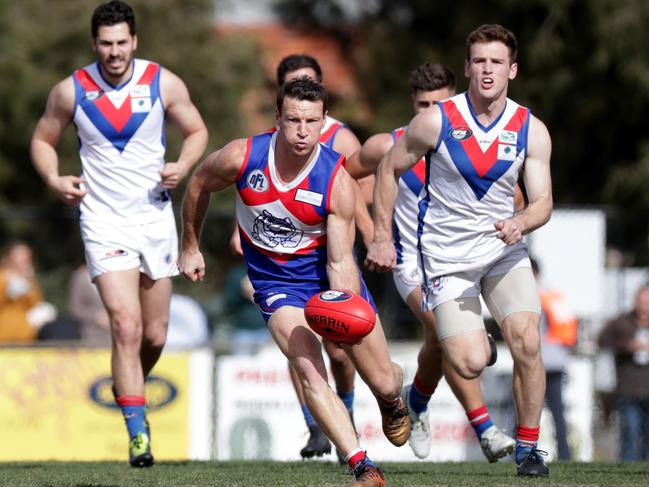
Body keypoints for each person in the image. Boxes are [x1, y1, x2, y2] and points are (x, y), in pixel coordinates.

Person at [179, 78, 408, 486]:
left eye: (312, 122)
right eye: (293, 120)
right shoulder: (242, 157)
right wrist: (190, 246)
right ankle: (361, 464)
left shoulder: (335, 180)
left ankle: (392, 400)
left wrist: (341, 307)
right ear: (277, 119)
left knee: (384, 378)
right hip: (275, 285)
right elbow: (198, 183)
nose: (302, 131)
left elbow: (340, 260)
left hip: (327, 280)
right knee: (307, 365)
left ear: (324, 122)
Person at [366, 24, 553, 477]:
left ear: (513, 69)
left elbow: (543, 201)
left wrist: (521, 221)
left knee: (528, 341)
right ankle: (451, 364)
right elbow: (388, 170)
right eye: (479, 61)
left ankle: (530, 450)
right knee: (469, 362)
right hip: (446, 257)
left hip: (503, 250)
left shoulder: (531, 129)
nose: (488, 70)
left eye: (497, 62)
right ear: (468, 67)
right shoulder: (437, 120)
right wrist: (381, 235)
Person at [30, 0, 208, 467]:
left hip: (154, 218)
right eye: (105, 44)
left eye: (121, 43)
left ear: (135, 42)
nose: (114, 52)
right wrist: (54, 179)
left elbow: (197, 131)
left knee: (154, 333)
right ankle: (137, 433)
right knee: (125, 326)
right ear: (95, 44)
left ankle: (126, 385)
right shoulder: (71, 91)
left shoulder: (161, 82)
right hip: (103, 220)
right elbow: (42, 140)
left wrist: (182, 166)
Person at [347, 62, 515, 462]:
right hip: (410, 265)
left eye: (437, 103)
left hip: (461, 260)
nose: (428, 111)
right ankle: (486, 430)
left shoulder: (473, 145)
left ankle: (417, 403)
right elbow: (343, 177)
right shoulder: (387, 145)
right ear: (412, 103)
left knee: (440, 342)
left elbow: (515, 196)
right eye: (422, 104)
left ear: (453, 99)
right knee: (443, 330)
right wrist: (373, 233)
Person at [230, 54, 367, 461]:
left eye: (307, 87)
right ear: (280, 108)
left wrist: (378, 237)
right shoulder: (261, 147)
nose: (301, 124)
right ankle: (321, 430)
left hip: (330, 263)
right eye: (292, 113)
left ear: (323, 106)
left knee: (341, 353)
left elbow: (359, 194)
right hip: (280, 278)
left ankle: (350, 412)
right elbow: (249, 192)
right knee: (303, 355)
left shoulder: (340, 141)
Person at [531, 257, 576, 460]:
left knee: (528, 411)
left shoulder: (532, 295)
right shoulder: (553, 295)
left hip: (539, 362)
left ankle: (526, 453)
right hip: (556, 361)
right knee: (558, 414)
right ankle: (564, 455)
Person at [598, 284, 649, 461]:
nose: (644, 306)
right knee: (630, 432)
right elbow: (602, 340)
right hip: (629, 389)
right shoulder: (622, 322)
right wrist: (627, 346)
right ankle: (626, 468)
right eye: (641, 301)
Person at [0, 242, 49, 342]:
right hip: (4, 336)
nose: (25, 259)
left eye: (27, 256)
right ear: (10, 257)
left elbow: (35, 303)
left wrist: (29, 284)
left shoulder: (29, 280)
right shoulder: (2, 276)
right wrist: (6, 287)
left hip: (26, 337)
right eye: (21, 255)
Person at [69, 263, 111, 346]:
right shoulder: (80, 276)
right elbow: (75, 308)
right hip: (91, 335)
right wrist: (96, 316)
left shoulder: (119, 273)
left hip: (117, 334)